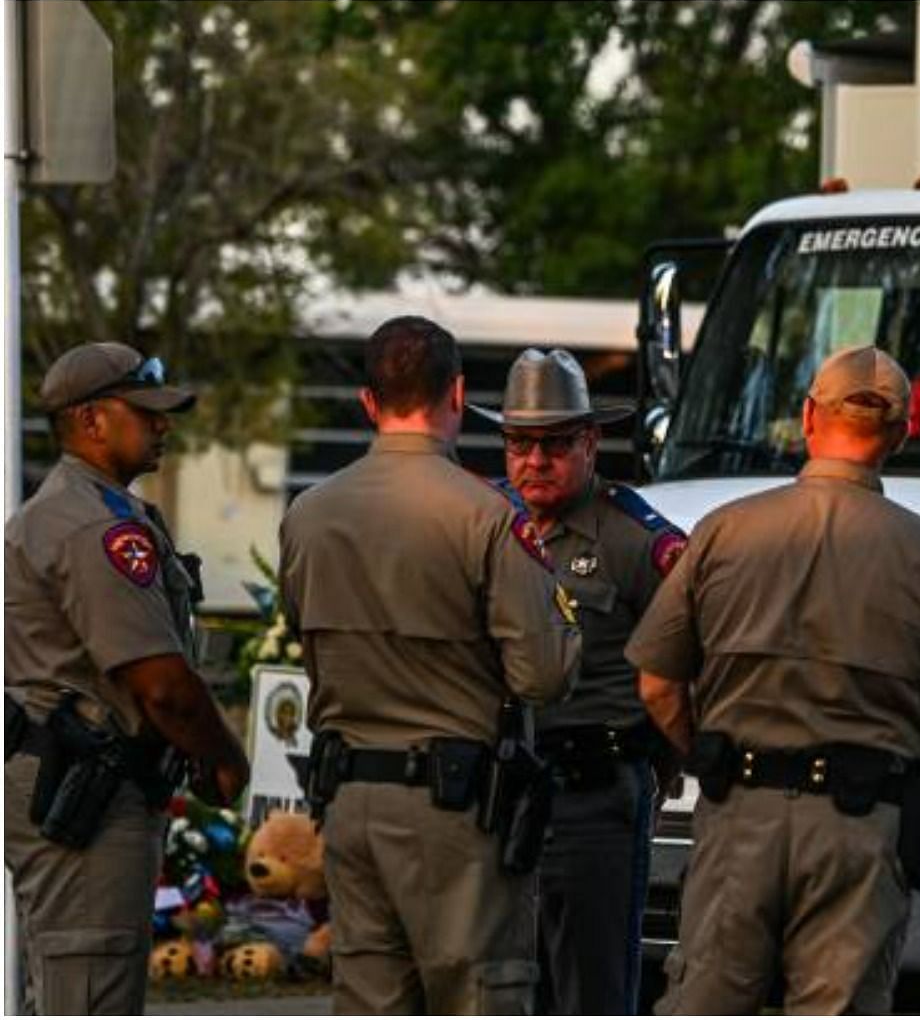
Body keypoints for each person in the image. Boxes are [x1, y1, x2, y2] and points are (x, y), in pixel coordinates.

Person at [626, 346, 920, 1014]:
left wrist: (705, 750)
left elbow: (657, 686)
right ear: (899, 435)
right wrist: (912, 776)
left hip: (738, 815)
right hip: (862, 828)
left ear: (809, 416)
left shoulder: (724, 531)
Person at [278, 317, 581, 1014]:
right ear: (458, 394)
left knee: (371, 997)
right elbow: (542, 675)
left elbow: (304, 635)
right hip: (456, 815)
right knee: (480, 993)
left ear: (367, 401)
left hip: (350, 799)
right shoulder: (486, 516)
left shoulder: (309, 514)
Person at [5, 342, 250, 1014]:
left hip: (96, 781)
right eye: (145, 411)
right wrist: (223, 757)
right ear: (91, 420)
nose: (163, 425)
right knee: (88, 993)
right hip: (87, 791)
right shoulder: (90, 525)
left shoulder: (96, 511)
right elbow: (162, 683)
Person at [472, 348, 686, 1015]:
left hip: (596, 796)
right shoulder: (480, 523)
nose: (534, 461)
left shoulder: (635, 541)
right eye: (519, 443)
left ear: (591, 442)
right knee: (497, 985)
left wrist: (667, 757)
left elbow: (695, 660)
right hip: (496, 793)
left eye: (555, 444)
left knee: (591, 992)